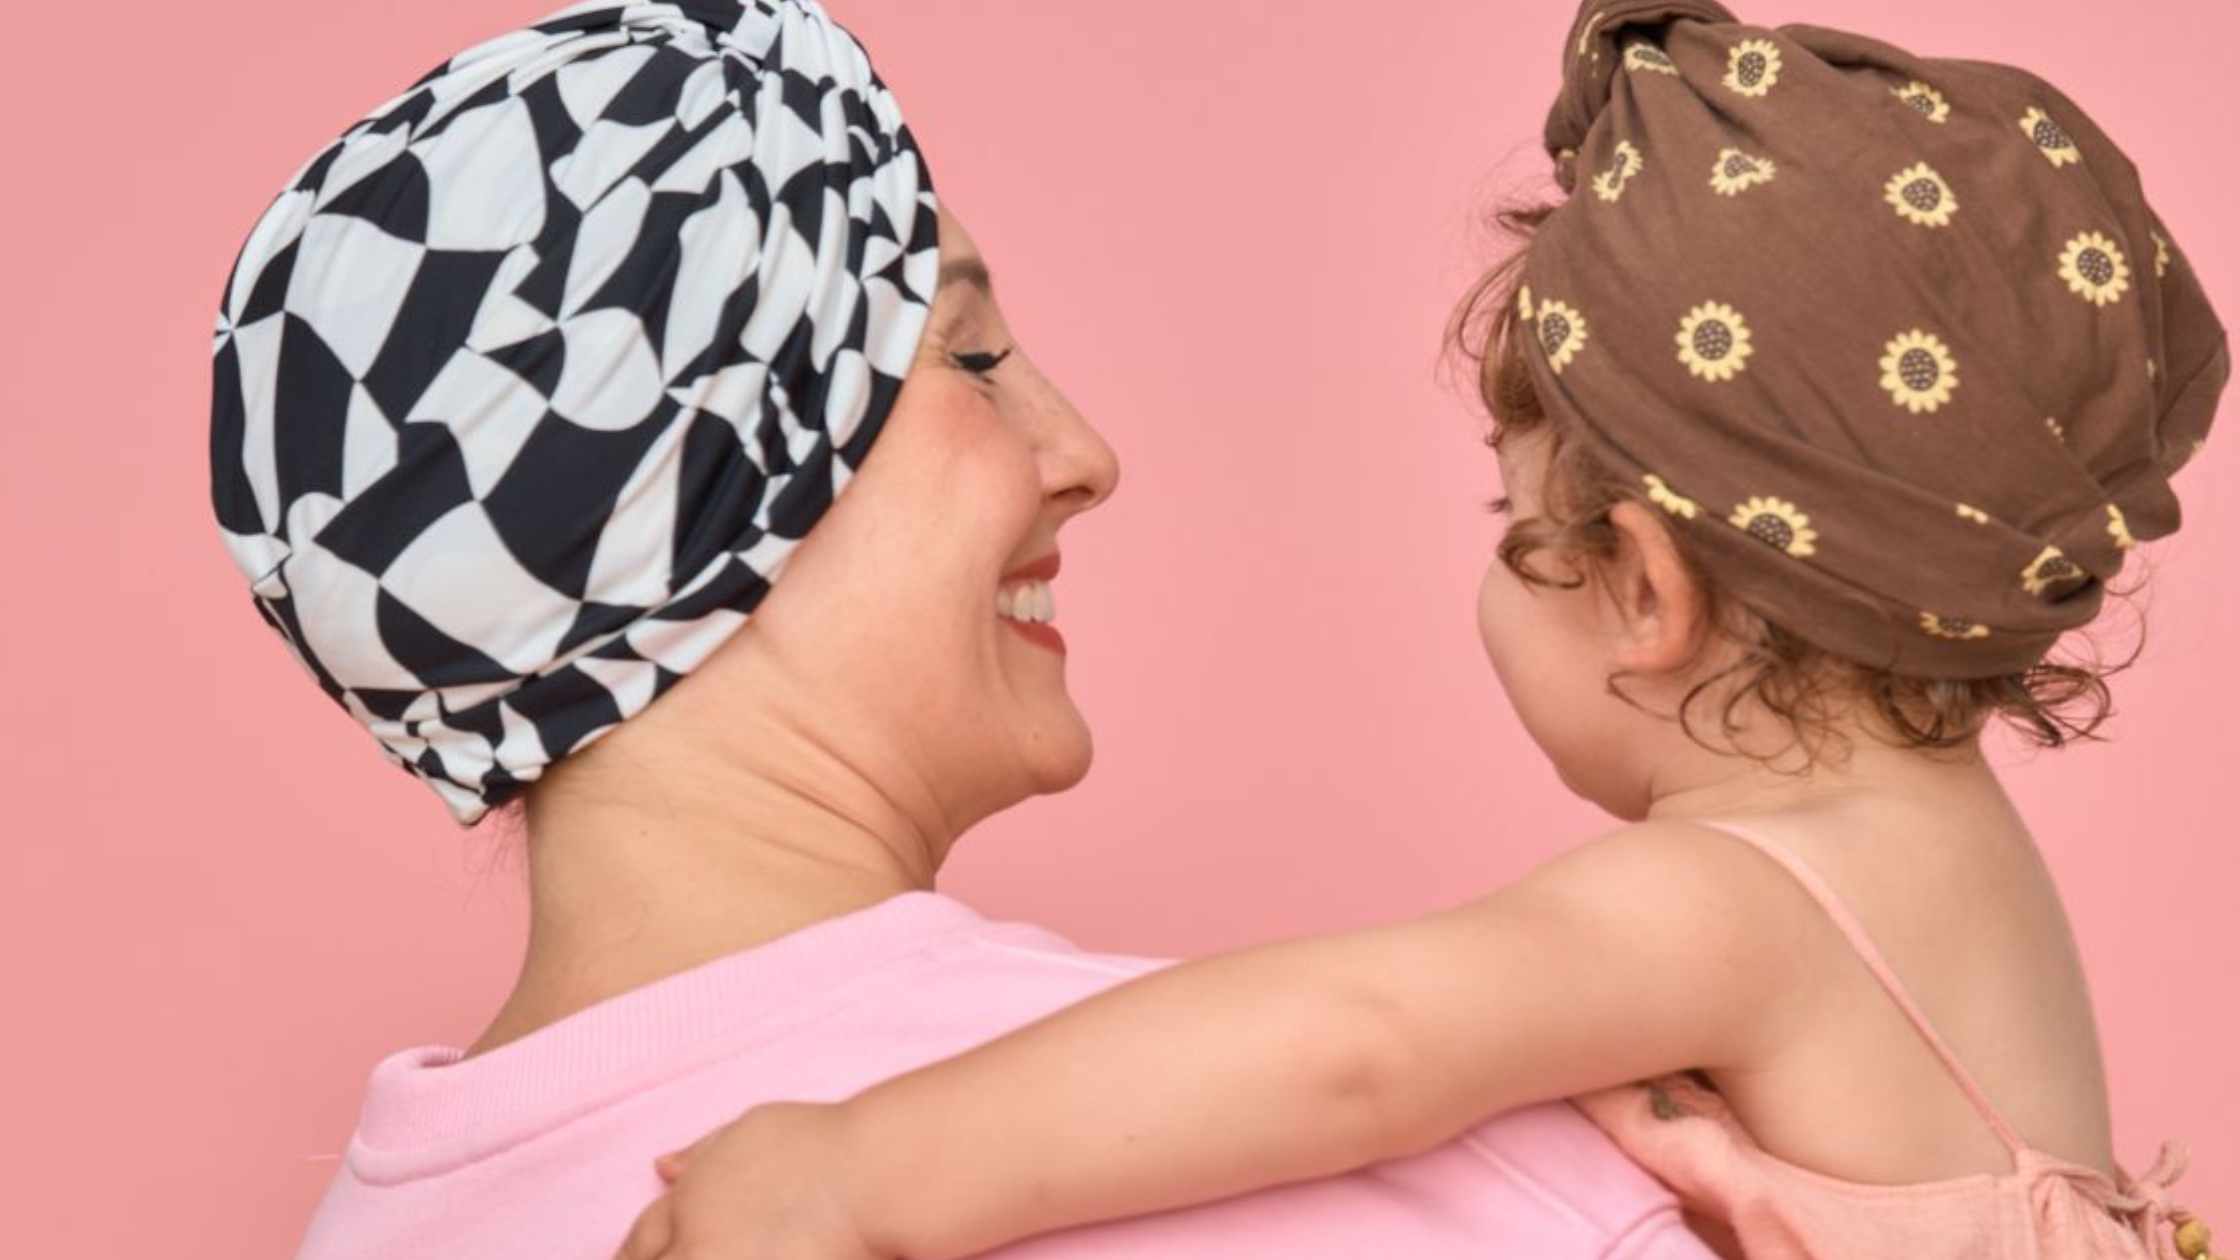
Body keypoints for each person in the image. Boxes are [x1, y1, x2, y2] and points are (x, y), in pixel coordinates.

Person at [618, 2, 2233, 1259]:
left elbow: (1359, 1046)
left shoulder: (1742, 899)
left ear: (1644, 591)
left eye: (1508, 525)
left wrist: (861, 1168)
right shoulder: (1961, 862)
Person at [207, 1, 1717, 1257]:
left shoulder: (383, 1222)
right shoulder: (1361, 1173)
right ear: (702, 491)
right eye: (971, 356)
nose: (1086, 452)